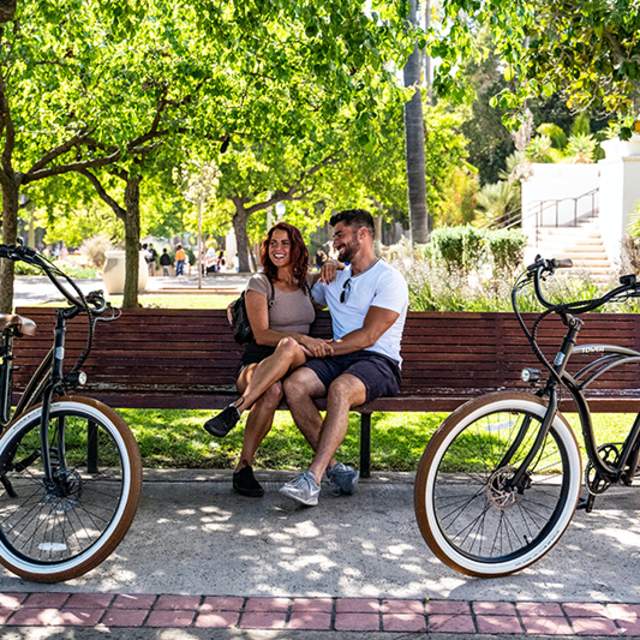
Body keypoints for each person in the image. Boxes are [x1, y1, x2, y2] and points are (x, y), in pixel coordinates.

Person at [202, 222, 348, 498]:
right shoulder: (259, 283)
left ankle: (236, 409)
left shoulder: (306, 283)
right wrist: (303, 340)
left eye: (285, 243)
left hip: (295, 364)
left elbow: (342, 270)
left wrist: (331, 262)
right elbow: (261, 335)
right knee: (274, 387)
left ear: (296, 248)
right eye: (273, 243)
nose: (278, 249)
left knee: (292, 348)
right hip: (257, 366)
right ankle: (243, 467)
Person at [279, 209, 409, 507]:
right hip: (339, 357)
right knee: (295, 385)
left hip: (377, 361)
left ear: (362, 235)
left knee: (341, 388)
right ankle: (336, 469)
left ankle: (312, 479)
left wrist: (325, 348)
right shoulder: (335, 276)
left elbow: (368, 336)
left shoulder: (389, 280)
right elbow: (299, 298)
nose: (334, 241)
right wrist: (247, 302)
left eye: (339, 235)